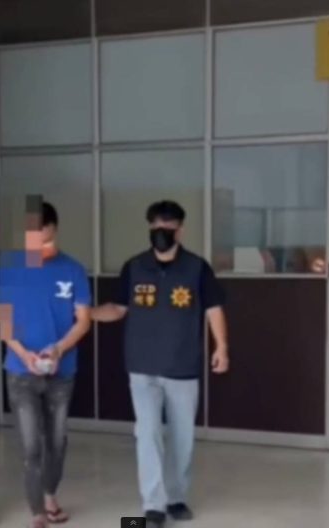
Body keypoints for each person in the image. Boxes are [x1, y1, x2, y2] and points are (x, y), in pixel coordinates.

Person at [91, 200, 230, 528]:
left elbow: (213, 309)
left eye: (168, 227)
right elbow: (118, 308)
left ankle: (176, 497)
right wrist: (88, 314)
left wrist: (222, 347)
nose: (161, 232)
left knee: (182, 438)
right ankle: (153, 504)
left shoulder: (197, 268)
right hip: (142, 367)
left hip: (183, 367)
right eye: (156, 226)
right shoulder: (134, 267)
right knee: (148, 434)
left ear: (180, 230)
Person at [0, 202, 91, 528]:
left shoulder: (73, 270)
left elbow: (83, 320)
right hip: (20, 372)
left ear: (55, 231)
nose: (40, 248)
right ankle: (37, 512)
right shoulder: (7, 269)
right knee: (31, 445)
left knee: (57, 442)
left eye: (46, 240)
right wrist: (23, 353)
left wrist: (58, 349)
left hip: (62, 373)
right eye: (34, 240)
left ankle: (49, 496)